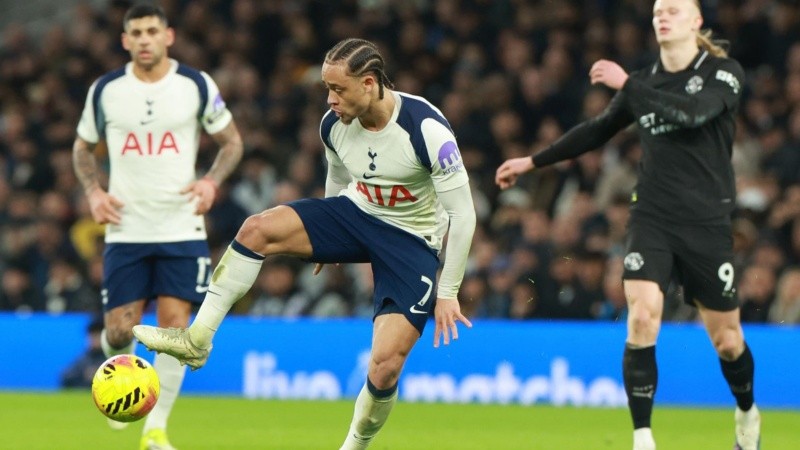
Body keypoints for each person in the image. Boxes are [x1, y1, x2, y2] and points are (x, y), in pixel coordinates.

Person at [134, 37, 476, 450]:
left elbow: (464, 214)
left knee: (385, 367)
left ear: (369, 84)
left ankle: (353, 446)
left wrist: (449, 292)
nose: (330, 99)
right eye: (327, 89)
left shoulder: (425, 130)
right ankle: (197, 340)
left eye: (338, 89)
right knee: (256, 229)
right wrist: (327, 242)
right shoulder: (333, 126)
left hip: (411, 239)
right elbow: (337, 179)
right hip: (358, 213)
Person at [495, 1, 759, 449]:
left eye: (674, 10)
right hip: (652, 215)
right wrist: (531, 161)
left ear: (696, 22)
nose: (663, 15)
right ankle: (642, 437)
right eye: (658, 9)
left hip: (706, 221)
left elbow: (693, 114)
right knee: (641, 318)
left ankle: (747, 413)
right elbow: (597, 129)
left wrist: (628, 84)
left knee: (728, 340)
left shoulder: (723, 71)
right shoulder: (647, 81)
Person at [72, 3, 243, 449]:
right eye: (136, 32)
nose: (145, 39)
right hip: (127, 230)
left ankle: (154, 430)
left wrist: (210, 182)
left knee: (174, 333)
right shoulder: (106, 90)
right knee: (118, 331)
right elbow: (81, 148)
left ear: (168, 36)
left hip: (182, 229)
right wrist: (93, 192)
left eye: (152, 30)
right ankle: (117, 387)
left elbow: (231, 143)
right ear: (125, 40)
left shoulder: (195, 84)